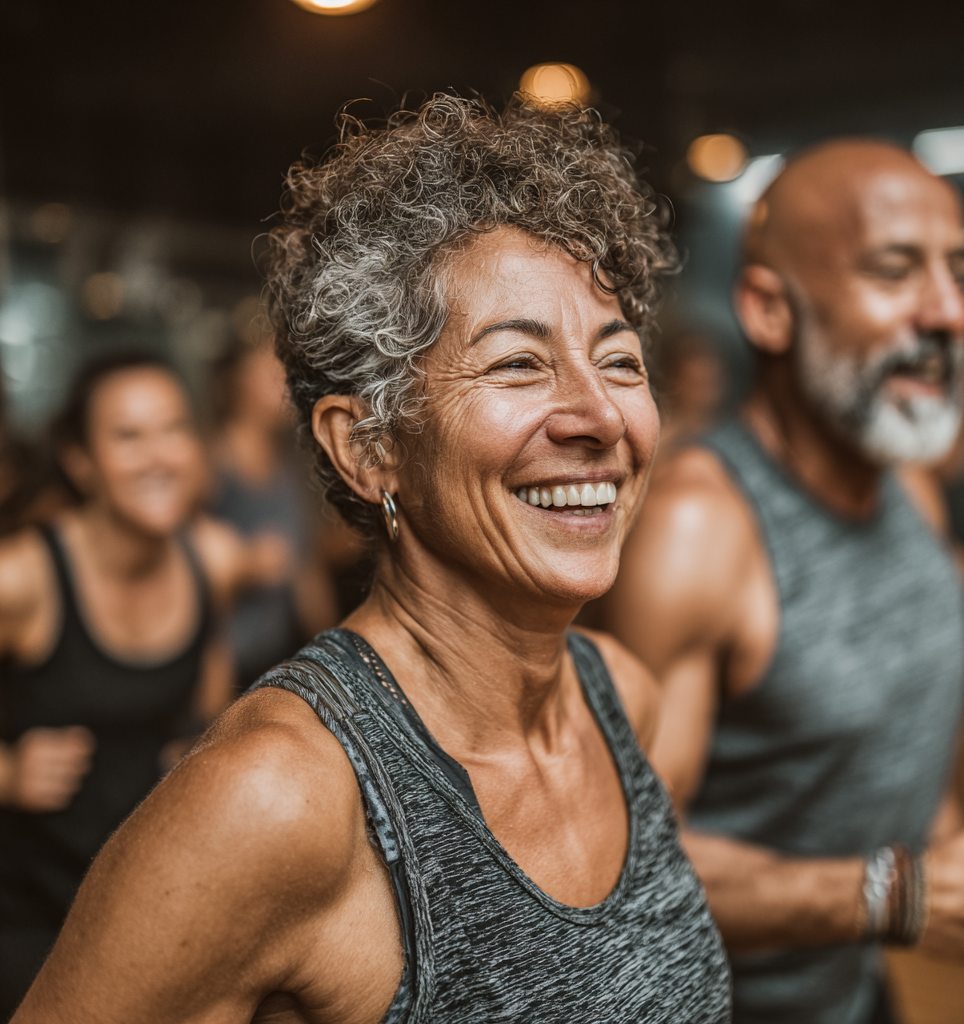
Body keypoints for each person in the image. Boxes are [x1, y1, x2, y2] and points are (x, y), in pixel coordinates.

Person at [12, 95, 732, 1024]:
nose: (600, 417)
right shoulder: (278, 801)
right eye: (518, 364)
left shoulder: (623, 698)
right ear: (369, 447)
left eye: (622, 362)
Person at [605, 139, 964, 1024]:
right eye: (895, 271)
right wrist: (898, 894)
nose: (950, 312)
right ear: (768, 308)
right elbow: (624, 879)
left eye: (956, 271)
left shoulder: (908, 486)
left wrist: (953, 864)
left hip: (858, 990)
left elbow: (896, 746)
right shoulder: (701, 529)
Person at [0, 352, 287, 1018]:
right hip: (23, 911)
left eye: (173, 429)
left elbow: (208, 688)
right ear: (81, 461)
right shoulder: (25, 580)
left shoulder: (211, 559)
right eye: (128, 436)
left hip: (142, 902)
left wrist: (197, 743)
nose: (159, 456)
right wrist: (8, 772)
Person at [209, 336, 341, 689]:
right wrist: (247, 565)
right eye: (270, 373)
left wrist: (334, 657)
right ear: (236, 381)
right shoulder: (210, 464)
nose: (285, 385)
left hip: (273, 661)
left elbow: (305, 568)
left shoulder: (286, 467)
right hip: (220, 667)